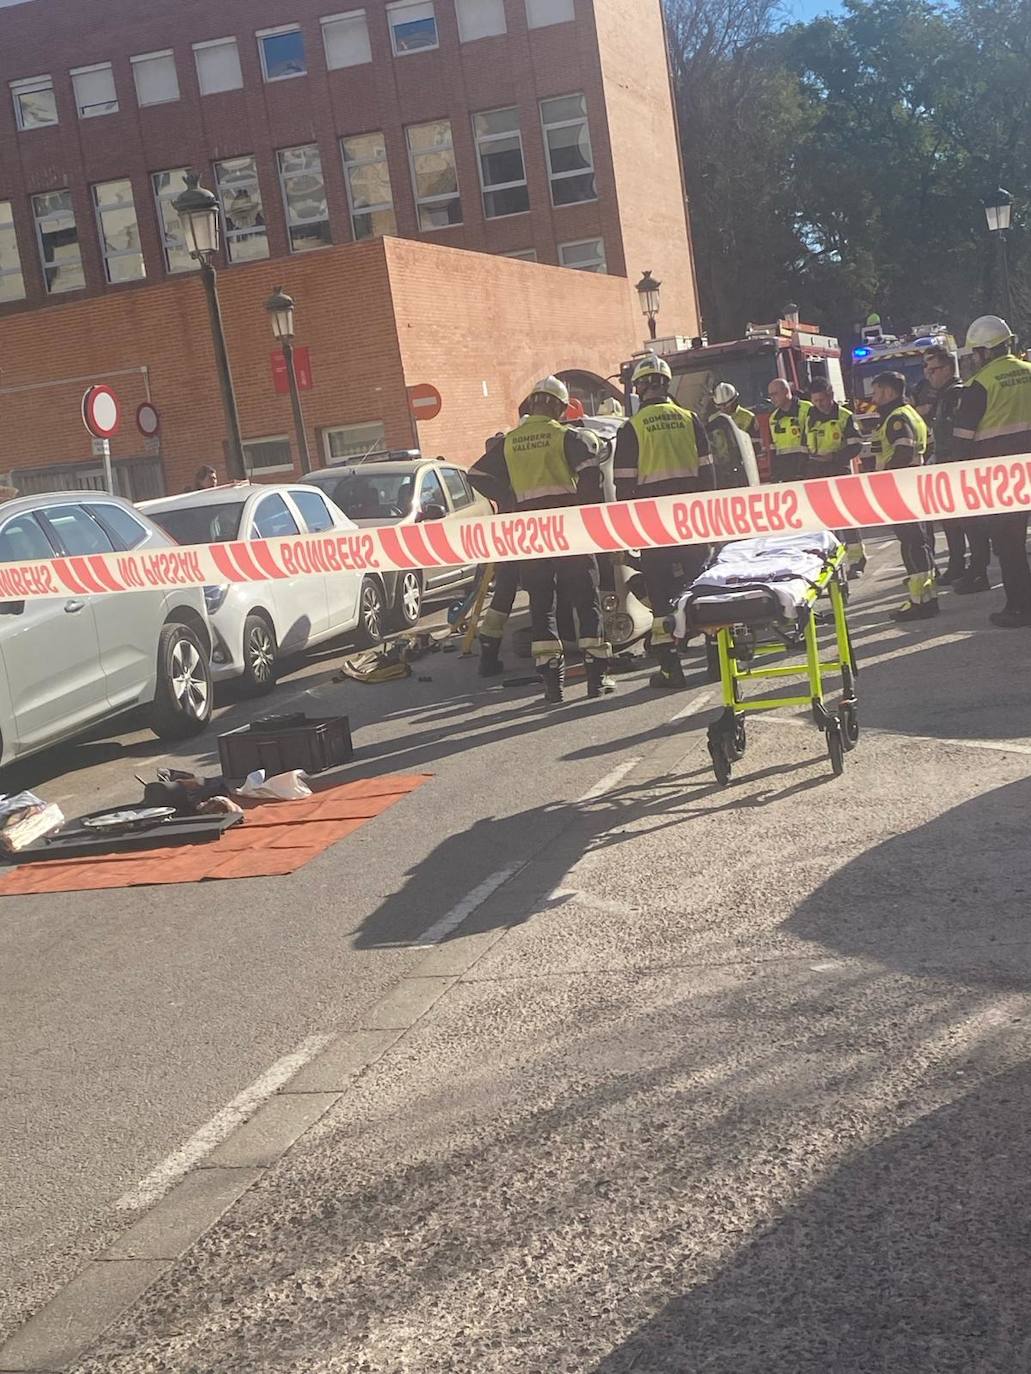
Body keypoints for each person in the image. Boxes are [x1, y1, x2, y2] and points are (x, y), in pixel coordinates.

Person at [466, 377, 611, 702]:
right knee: (586, 601)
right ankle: (596, 682)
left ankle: (552, 686)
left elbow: (475, 475)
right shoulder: (567, 436)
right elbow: (591, 476)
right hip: (569, 529)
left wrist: (510, 501)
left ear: (532, 405)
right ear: (560, 408)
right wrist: (589, 516)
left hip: (531, 534)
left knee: (541, 605)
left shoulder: (510, 441)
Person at [614, 355, 715, 688]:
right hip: (692, 521)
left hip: (654, 526)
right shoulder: (690, 419)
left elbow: (623, 487)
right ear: (666, 384)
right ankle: (716, 661)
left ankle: (672, 670)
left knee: (659, 597)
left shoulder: (631, 428)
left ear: (640, 388)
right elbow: (708, 475)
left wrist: (631, 534)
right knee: (702, 588)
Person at [952, 315, 1031, 628]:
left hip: (1001, 481)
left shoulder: (979, 385)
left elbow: (961, 442)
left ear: (984, 351)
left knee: (1009, 546)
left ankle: (1019, 608)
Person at [922, 345, 990, 592]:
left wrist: (952, 462)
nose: (929, 375)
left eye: (934, 369)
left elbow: (959, 435)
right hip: (945, 463)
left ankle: (978, 571)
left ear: (949, 368)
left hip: (958, 464)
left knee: (970, 521)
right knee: (951, 520)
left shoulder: (957, 393)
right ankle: (957, 565)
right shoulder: (942, 395)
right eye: (926, 370)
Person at [870, 371, 936, 621]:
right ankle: (928, 597)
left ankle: (919, 601)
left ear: (888, 392)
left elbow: (904, 448)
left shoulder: (896, 417)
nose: (874, 397)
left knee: (911, 544)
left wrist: (887, 477)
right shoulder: (912, 413)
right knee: (920, 542)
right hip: (914, 484)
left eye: (876, 391)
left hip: (899, 488)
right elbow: (929, 444)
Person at [803, 378, 866, 575]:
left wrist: (835, 457)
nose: (819, 404)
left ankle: (856, 562)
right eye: (815, 400)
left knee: (847, 517)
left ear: (831, 396)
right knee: (825, 522)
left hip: (839, 471)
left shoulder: (844, 416)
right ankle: (833, 564)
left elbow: (856, 445)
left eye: (822, 399)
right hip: (817, 473)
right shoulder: (809, 417)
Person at [767, 378, 811, 483]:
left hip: (808, 471)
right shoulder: (773, 418)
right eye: (770, 395)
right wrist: (774, 475)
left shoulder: (808, 409)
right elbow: (773, 449)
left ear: (786, 391)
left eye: (775, 394)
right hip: (786, 474)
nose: (772, 399)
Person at [712, 382, 760, 448]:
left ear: (735, 401)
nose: (724, 409)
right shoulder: (713, 419)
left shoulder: (749, 417)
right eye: (720, 406)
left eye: (727, 405)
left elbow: (756, 442)